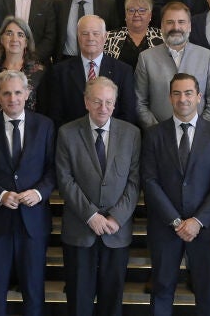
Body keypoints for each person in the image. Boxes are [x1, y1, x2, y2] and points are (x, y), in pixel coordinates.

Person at [0, 70, 56, 316]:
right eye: (6, 93)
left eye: (18, 92)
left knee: (34, 292)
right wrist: (0, 194)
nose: (13, 98)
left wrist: (39, 192)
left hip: (33, 222)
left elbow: (53, 169)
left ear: (27, 93)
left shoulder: (45, 125)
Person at [141, 73, 210, 316]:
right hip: (164, 227)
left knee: (206, 292)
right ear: (170, 97)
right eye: (177, 93)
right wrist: (176, 221)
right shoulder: (154, 134)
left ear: (199, 97)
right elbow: (149, 181)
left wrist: (197, 221)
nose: (183, 99)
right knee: (161, 289)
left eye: (188, 93)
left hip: (204, 228)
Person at [56, 77, 141, 316]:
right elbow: (65, 180)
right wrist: (91, 215)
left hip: (116, 231)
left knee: (112, 302)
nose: (103, 108)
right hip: (80, 229)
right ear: (86, 102)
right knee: (78, 301)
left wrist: (116, 218)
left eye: (108, 102)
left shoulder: (132, 134)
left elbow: (135, 181)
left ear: (115, 104)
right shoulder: (67, 133)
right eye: (97, 101)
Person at [135, 1, 210, 129]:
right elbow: (139, 102)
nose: (176, 27)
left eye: (181, 22)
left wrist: (199, 131)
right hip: (159, 135)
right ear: (162, 26)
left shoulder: (206, 56)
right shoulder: (146, 58)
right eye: (170, 22)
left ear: (189, 26)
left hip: (198, 135)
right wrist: (157, 132)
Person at [46, 15, 137, 128]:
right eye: (85, 33)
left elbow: (128, 114)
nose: (90, 38)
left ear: (105, 37)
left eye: (96, 33)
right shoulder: (60, 71)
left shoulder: (123, 71)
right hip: (73, 135)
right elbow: (55, 115)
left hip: (112, 136)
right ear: (78, 37)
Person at [0, 16, 45, 116]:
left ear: (26, 42)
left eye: (20, 35)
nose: (14, 39)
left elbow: (44, 113)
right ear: (1, 39)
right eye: (9, 33)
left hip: (30, 125)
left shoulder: (39, 73)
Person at [54, 0, 119, 62]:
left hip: (98, 61)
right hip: (66, 61)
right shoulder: (59, 4)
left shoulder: (107, 4)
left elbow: (114, 35)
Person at [103, 0, 164, 69]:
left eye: (142, 10)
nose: (136, 14)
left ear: (150, 15)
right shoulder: (109, 37)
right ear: (125, 14)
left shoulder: (162, 37)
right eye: (131, 10)